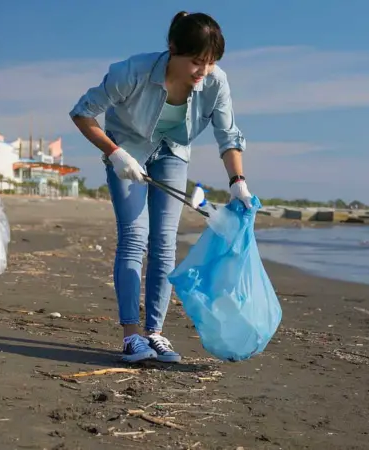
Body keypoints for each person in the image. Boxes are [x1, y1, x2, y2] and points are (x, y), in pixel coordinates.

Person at [70, 11, 254, 363]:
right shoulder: (132, 72)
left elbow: (228, 135)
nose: (203, 71)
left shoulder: (216, 82)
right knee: (134, 237)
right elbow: (82, 112)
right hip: (127, 151)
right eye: (197, 61)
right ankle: (131, 335)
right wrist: (116, 154)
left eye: (211, 63)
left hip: (173, 153)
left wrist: (237, 182)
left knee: (165, 242)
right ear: (173, 49)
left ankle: (155, 332)